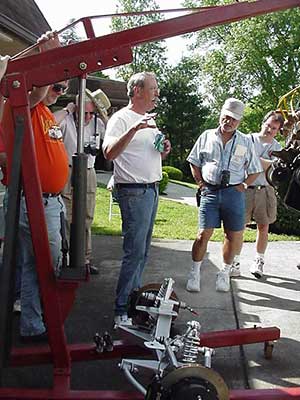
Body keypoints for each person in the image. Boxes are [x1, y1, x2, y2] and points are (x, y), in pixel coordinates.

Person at [2, 32, 69, 341]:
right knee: (44, 264)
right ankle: (32, 323)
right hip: (36, 202)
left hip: (50, 201)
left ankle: (30, 323)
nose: (59, 90)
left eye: (63, 87)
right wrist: (48, 54)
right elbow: (37, 92)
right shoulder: (23, 106)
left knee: (34, 265)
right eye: (57, 85)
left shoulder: (43, 113)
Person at [102, 71, 171, 327]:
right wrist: (134, 129)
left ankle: (133, 300)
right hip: (133, 191)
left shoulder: (150, 120)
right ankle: (121, 310)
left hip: (151, 189)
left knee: (142, 252)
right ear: (138, 90)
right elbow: (108, 153)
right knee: (134, 252)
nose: (157, 93)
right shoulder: (121, 119)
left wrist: (163, 150)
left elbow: (151, 154)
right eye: (153, 88)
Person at [186, 98, 263, 293]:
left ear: (239, 122)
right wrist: (200, 184)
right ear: (221, 114)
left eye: (233, 120)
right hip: (210, 192)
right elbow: (194, 161)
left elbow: (255, 169)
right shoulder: (206, 136)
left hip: (233, 193)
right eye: (226, 117)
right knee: (203, 234)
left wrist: (244, 184)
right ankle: (195, 272)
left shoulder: (245, 141)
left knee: (233, 235)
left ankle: (224, 273)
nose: (228, 122)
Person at [54, 88, 110, 274]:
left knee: (86, 216)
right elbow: (51, 123)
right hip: (68, 170)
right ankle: (67, 256)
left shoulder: (96, 123)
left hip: (88, 170)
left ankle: (85, 258)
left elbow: (112, 133)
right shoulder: (67, 120)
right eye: (83, 112)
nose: (87, 117)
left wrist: (102, 115)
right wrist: (68, 110)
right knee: (68, 215)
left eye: (90, 113)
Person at [232, 111, 284, 278]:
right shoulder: (247, 139)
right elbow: (237, 159)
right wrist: (266, 164)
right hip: (246, 188)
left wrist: (254, 159)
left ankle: (258, 261)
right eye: (268, 125)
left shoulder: (278, 148)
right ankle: (235, 262)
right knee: (239, 227)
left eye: (274, 128)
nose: (269, 129)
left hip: (266, 190)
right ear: (263, 123)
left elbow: (277, 170)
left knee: (264, 227)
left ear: (278, 130)